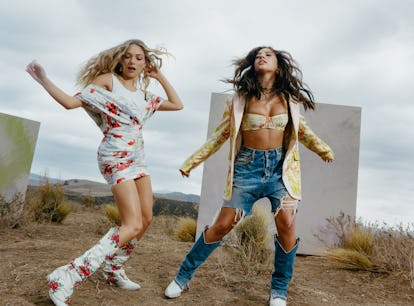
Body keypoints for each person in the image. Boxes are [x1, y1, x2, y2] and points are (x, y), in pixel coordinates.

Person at [164, 46, 334, 306]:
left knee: (287, 222)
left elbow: (303, 132)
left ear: (278, 65)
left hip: (281, 170)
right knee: (222, 225)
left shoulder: (290, 99)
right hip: (247, 168)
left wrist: (323, 149)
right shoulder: (240, 99)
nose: (261, 57)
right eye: (257, 56)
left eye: (268, 54)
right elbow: (220, 135)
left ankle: (278, 291)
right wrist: (192, 162)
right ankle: (183, 276)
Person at [26, 39, 183, 305]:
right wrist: (43, 80)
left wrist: (159, 76)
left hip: (138, 159)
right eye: (128, 56)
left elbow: (177, 104)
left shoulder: (145, 96)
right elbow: (70, 102)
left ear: (146, 63)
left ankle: (113, 269)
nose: (133, 62)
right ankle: (67, 275)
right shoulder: (108, 81)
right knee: (131, 223)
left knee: (145, 219)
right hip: (115, 157)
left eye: (139, 58)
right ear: (119, 60)